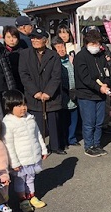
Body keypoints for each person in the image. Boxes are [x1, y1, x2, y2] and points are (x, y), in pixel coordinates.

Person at [19, 27, 65, 155]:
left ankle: (55, 146)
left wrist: (48, 92)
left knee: (53, 121)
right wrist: (35, 92)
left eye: (38, 38)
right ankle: (39, 147)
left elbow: (56, 76)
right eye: (32, 38)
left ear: (45, 40)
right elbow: (24, 75)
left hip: (51, 95)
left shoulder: (53, 55)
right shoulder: (25, 54)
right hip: (33, 95)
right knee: (37, 123)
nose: (34, 40)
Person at [1, 90, 48, 212]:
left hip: (33, 156)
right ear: (9, 107)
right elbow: (8, 145)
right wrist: (14, 162)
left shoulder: (30, 118)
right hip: (20, 159)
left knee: (31, 177)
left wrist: (43, 149)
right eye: (18, 106)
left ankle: (32, 196)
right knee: (20, 180)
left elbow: (38, 135)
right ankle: (23, 199)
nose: (23, 108)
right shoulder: (8, 123)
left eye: (24, 105)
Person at [74, 29, 111, 157]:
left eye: (97, 43)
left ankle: (97, 144)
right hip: (86, 94)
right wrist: (98, 87)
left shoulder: (101, 55)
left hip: (100, 93)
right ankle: (89, 145)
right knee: (89, 122)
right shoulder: (80, 56)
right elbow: (84, 78)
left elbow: (107, 71)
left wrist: (106, 83)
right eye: (93, 43)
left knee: (99, 121)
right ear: (87, 43)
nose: (96, 46)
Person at [51, 36, 80, 148]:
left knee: (74, 116)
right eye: (57, 48)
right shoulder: (54, 61)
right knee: (63, 119)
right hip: (62, 94)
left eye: (62, 46)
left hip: (74, 92)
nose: (61, 50)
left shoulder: (72, 59)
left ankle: (72, 138)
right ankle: (63, 140)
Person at [3, 25, 24, 93]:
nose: (11, 40)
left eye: (14, 37)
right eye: (8, 37)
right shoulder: (0, 52)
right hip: (6, 87)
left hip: (21, 86)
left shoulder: (24, 53)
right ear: (4, 38)